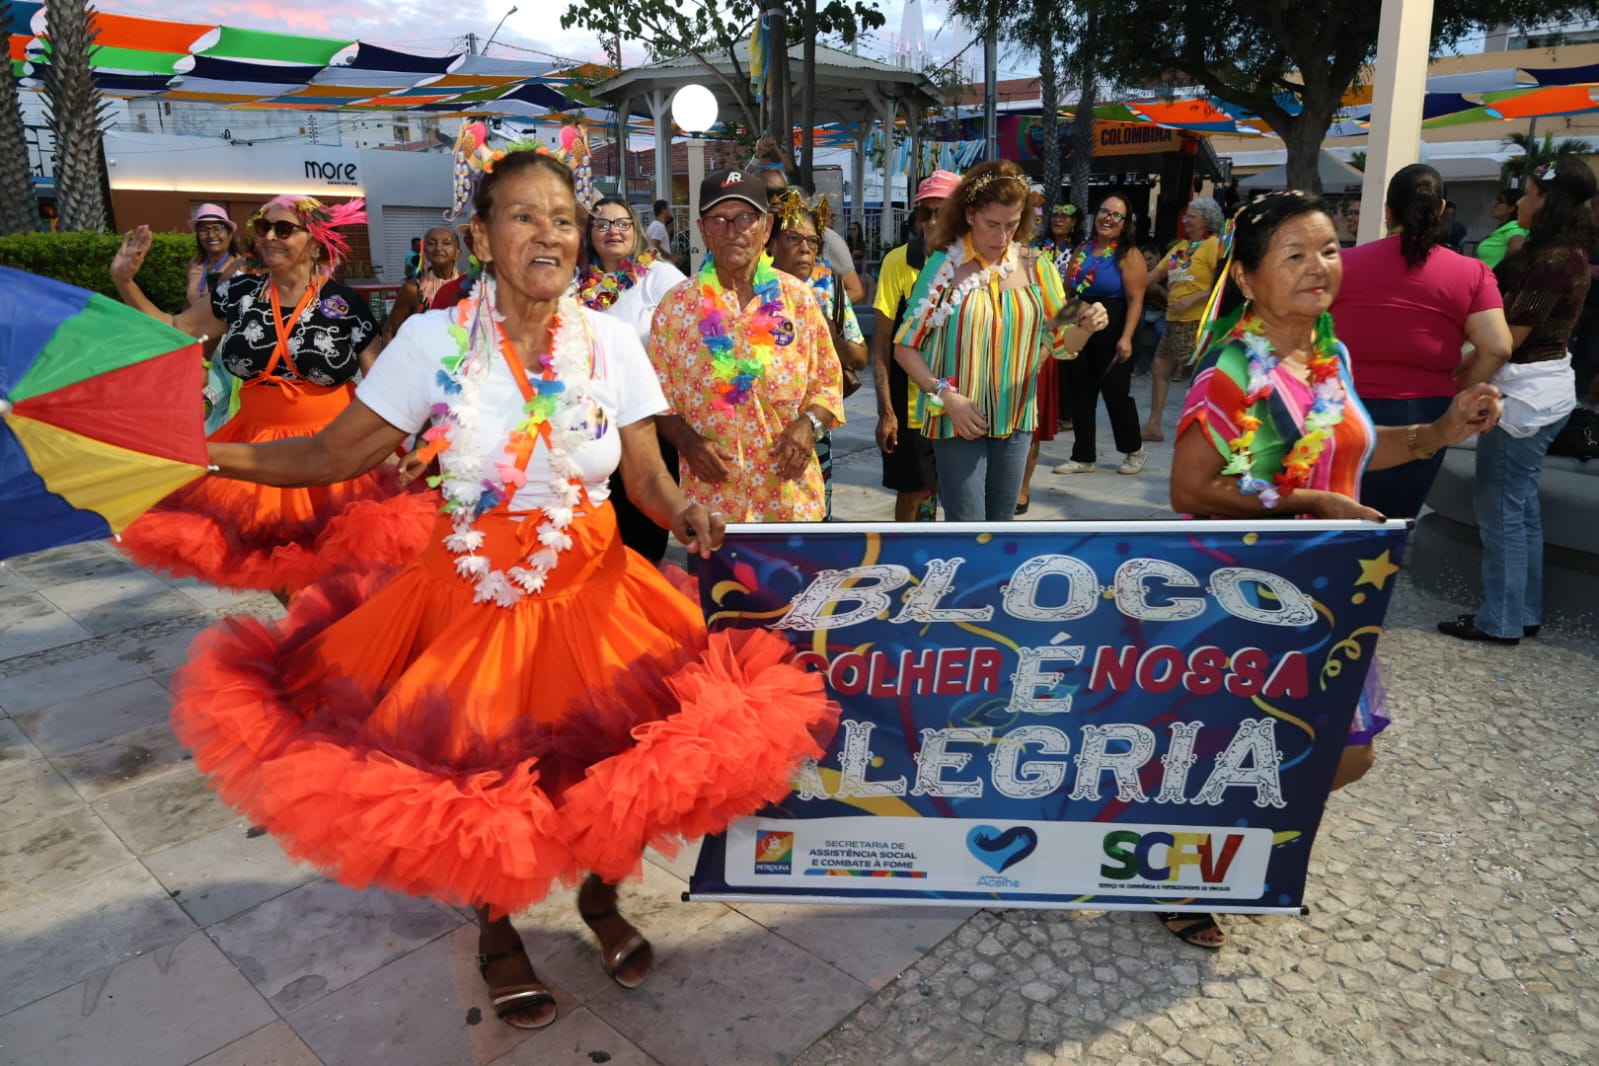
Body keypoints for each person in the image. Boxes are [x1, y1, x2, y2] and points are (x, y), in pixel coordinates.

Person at [167, 146, 839, 1031]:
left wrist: (684, 513)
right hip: (470, 592)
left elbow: (643, 477)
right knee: (481, 771)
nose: (550, 234)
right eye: (523, 216)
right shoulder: (431, 340)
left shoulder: (610, 342)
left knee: (620, 761)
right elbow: (332, 454)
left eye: (562, 218)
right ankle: (497, 931)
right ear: (481, 237)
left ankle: (600, 899)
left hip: (597, 586)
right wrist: (200, 449)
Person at [1170, 189, 1503, 949]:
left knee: (1339, 752)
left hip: (1324, 594)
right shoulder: (1233, 366)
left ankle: (1244, 847)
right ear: (1248, 280)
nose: (1319, 267)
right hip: (1249, 597)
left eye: (1327, 249)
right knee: (1252, 747)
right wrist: (1301, 502)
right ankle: (1188, 871)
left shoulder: (1327, 353)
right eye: (1294, 254)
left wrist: (1435, 430)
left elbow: (1345, 445)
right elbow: (1191, 489)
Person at [109, 196, 425, 596]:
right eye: (263, 228)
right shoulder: (239, 293)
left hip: (333, 445)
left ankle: (325, 639)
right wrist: (125, 282)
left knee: (340, 576)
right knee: (278, 569)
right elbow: (178, 329)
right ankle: (310, 638)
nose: (269, 236)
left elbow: (383, 381)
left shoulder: (347, 305)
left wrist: (407, 443)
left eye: (284, 228)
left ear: (315, 241)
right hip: (256, 447)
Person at [893, 160, 1109, 522]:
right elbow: (904, 346)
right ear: (969, 214)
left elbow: (1061, 341)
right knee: (968, 526)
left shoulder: (1036, 265)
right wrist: (945, 395)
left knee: (1002, 525)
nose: (1002, 236)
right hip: (957, 420)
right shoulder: (942, 267)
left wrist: (1088, 324)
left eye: (1012, 224)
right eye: (992, 224)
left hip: (1017, 419)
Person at [1440, 158, 1596, 645]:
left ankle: (1501, 619)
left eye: (1528, 194)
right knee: (1520, 507)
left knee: (1501, 509)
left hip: (1522, 398)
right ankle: (1521, 612)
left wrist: (1459, 382)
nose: (1521, 203)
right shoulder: (1566, 255)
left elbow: (1507, 340)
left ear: (1548, 200)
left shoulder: (1551, 262)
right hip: (1547, 390)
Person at [650, 169, 845, 522]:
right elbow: (656, 400)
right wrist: (688, 442)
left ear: (767, 227)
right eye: (718, 220)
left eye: (745, 219)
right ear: (702, 229)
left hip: (790, 501)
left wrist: (809, 426)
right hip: (712, 507)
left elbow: (828, 384)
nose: (732, 232)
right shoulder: (675, 308)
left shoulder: (798, 300)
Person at [1332, 164, 1511, 518]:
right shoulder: (1470, 272)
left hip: (1340, 403)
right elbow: (1498, 346)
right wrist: (1459, 389)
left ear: (1387, 212)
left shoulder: (1341, 263)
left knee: (1332, 515)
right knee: (1394, 522)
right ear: (1442, 209)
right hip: (1425, 410)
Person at [578, 196, 687, 560]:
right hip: (596, 420)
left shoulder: (660, 276)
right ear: (589, 233)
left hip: (651, 417)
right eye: (602, 224)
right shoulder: (576, 282)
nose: (613, 231)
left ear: (636, 229)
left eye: (622, 223)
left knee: (644, 526)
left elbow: (692, 332)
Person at [768, 189, 869, 519]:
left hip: (812, 431)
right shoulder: (745, 290)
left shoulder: (829, 290)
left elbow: (858, 358)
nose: (805, 249)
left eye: (813, 242)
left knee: (813, 521)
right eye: (794, 237)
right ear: (770, 241)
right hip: (755, 432)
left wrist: (822, 323)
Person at [873, 170, 958, 522]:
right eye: (926, 212)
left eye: (944, 211)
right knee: (911, 494)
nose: (934, 221)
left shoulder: (972, 264)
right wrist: (886, 412)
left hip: (960, 405)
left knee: (958, 496)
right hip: (911, 410)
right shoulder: (898, 262)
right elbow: (881, 346)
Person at [1054, 193, 1149, 476]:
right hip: (1081, 324)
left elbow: (1136, 299)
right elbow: (1070, 292)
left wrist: (1126, 338)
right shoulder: (1083, 248)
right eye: (1104, 211)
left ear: (1124, 223)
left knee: (1115, 393)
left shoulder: (1128, 254)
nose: (1108, 218)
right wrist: (1058, 329)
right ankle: (1083, 456)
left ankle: (1134, 450)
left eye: (1116, 215)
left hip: (1115, 325)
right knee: (1080, 391)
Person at [1016, 202, 1083, 512]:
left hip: (1049, 338)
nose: (1058, 220)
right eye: (1054, 215)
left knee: (1031, 426)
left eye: (1064, 216)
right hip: (1011, 343)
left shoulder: (1077, 252)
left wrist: (1045, 351)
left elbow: (1065, 307)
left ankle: (1023, 486)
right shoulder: (1036, 250)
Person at [1141, 199, 1224, 442]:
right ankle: (1154, 426)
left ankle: (1201, 429)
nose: (1186, 220)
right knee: (1159, 368)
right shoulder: (1180, 248)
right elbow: (1153, 275)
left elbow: (1221, 284)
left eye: (1192, 216)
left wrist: (1193, 299)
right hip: (1173, 319)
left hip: (1197, 320)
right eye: (1186, 215)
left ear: (1207, 219)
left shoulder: (1213, 246)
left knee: (1199, 375)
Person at [757, 166, 865, 305]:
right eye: (765, 194)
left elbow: (856, 290)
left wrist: (820, 315)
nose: (774, 199)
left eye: (782, 193)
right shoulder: (748, 240)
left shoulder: (827, 239)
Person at [383, 225, 465, 340]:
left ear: (458, 254)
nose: (438, 248)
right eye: (431, 243)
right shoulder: (413, 289)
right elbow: (390, 330)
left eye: (446, 243)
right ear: (424, 251)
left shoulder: (470, 287)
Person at [185, 203, 246, 307]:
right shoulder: (195, 263)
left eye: (217, 229)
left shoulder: (240, 265)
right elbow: (188, 303)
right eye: (204, 230)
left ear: (230, 234)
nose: (211, 235)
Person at [1476, 188, 1529, 268]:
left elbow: (1517, 248)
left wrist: (1503, 272)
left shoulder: (1514, 228)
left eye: (1500, 201)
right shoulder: (1505, 228)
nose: (1495, 205)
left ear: (1511, 208)